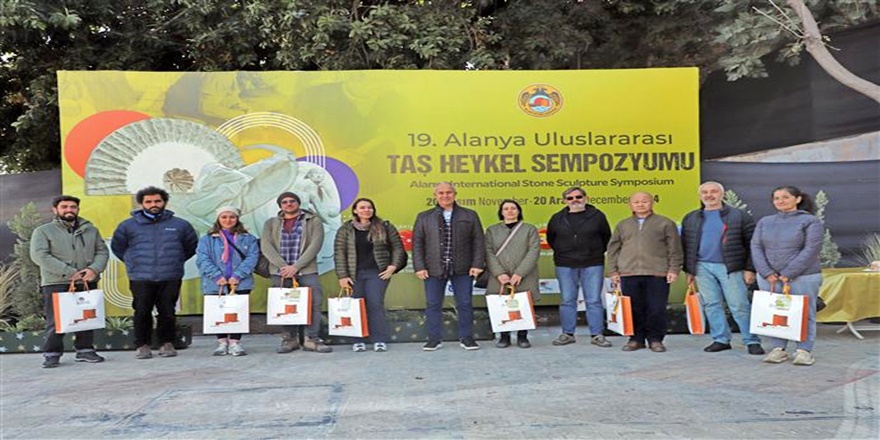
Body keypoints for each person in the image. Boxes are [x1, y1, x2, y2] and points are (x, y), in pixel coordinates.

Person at [111, 186, 198, 359]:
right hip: (140, 277)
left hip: (170, 276)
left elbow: (190, 247)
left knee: (167, 311)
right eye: (148, 201)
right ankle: (142, 345)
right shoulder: (128, 226)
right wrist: (134, 263)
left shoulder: (180, 225)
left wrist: (175, 261)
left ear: (164, 202)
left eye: (157, 201)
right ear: (142, 203)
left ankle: (167, 343)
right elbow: (118, 247)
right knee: (142, 311)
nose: (153, 204)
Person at [681, 181, 764, 355]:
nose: (709, 195)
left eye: (713, 191)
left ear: (722, 194)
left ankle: (752, 340)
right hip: (701, 267)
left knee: (739, 305)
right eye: (705, 192)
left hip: (731, 267)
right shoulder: (691, 217)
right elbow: (686, 245)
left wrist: (750, 269)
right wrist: (689, 270)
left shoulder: (739, 216)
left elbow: (753, 244)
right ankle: (720, 339)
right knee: (711, 304)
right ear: (700, 195)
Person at [30, 195, 109, 368]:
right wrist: (70, 272)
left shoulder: (91, 230)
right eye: (64, 207)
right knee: (56, 320)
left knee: (86, 317)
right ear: (55, 210)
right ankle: (52, 353)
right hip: (55, 282)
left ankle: (85, 350)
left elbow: (102, 252)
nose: (69, 210)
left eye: (73, 207)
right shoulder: (43, 231)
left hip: (86, 281)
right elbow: (40, 255)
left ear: (77, 209)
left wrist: (94, 269)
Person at [751, 185, 823, 366]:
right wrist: (766, 272)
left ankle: (803, 351)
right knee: (774, 314)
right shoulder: (765, 222)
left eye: (785, 197)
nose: (780, 201)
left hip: (803, 276)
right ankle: (778, 349)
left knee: (804, 314)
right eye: (776, 198)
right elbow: (756, 247)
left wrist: (789, 273)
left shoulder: (810, 221)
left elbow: (811, 249)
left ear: (797, 199)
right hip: (770, 278)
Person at [413, 182, 485, 351]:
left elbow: (478, 241)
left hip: (463, 268)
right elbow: (417, 244)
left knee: (465, 303)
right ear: (435, 195)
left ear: (455, 194)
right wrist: (419, 266)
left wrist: (477, 264)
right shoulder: (424, 217)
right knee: (433, 303)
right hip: (433, 268)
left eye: (449, 192)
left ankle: (467, 338)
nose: (445, 196)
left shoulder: (469, 215)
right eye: (441, 193)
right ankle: (433, 339)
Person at [608, 192, 683, 353]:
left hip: (657, 272)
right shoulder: (623, 225)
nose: (640, 204)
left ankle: (656, 339)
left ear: (652, 203)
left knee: (656, 308)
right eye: (636, 202)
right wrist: (613, 271)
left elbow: (675, 249)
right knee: (634, 308)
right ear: (630, 204)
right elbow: (613, 249)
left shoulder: (665, 223)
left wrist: (673, 269)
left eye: (644, 201)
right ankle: (636, 339)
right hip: (629, 273)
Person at [261, 191, 332, 354]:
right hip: (280, 272)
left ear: (298, 203)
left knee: (314, 302)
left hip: (307, 270)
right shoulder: (270, 223)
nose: (288, 204)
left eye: (292, 201)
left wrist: (297, 266)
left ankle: (311, 339)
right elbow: (266, 246)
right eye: (284, 202)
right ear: (280, 206)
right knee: (284, 305)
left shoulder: (313, 221)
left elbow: (315, 245)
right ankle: (289, 339)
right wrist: (284, 266)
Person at [333, 198, 407, 352]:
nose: (366, 210)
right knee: (356, 307)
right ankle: (357, 339)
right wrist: (342, 276)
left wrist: (393, 266)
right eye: (362, 207)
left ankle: (379, 339)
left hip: (377, 273)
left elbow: (398, 248)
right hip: (354, 275)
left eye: (369, 207)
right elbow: (339, 254)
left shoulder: (385, 227)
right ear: (355, 210)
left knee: (375, 305)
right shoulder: (345, 230)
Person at [546, 186, 613, 347]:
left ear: (586, 198)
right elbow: (551, 239)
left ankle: (597, 335)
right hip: (565, 264)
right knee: (567, 300)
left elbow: (606, 237)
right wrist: (565, 252)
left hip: (592, 263)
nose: (575, 200)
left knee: (594, 300)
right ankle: (567, 334)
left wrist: (593, 252)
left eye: (578, 197)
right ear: (564, 201)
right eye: (570, 198)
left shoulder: (597, 216)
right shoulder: (557, 218)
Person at [196, 207, 260, 356]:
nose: (228, 220)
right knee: (218, 312)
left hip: (240, 282)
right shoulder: (207, 240)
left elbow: (252, 258)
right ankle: (222, 342)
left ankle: (235, 343)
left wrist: (238, 275)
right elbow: (202, 259)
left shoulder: (248, 238)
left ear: (237, 219)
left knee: (237, 312)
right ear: (218, 219)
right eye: (224, 217)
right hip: (215, 283)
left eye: (232, 217)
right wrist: (217, 276)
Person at [484, 200, 541, 348]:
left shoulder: (529, 229)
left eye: (513, 208)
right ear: (501, 212)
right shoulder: (492, 230)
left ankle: (523, 337)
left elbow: (533, 252)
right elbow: (488, 252)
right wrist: (499, 273)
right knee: (502, 305)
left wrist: (519, 273)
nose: (510, 211)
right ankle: (504, 337)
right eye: (506, 209)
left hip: (524, 275)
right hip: (500, 277)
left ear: (518, 211)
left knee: (523, 305)